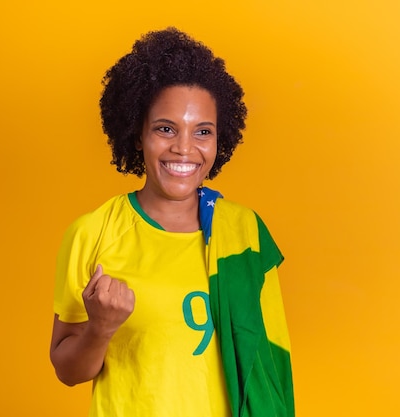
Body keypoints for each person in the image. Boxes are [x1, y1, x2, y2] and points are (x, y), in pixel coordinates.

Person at [50, 27, 294, 417]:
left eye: (203, 132)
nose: (184, 148)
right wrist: (101, 328)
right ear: (137, 134)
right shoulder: (93, 232)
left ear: (220, 139)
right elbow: (67, 370)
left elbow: (268, 362)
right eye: (166, 129)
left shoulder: (244, 232)